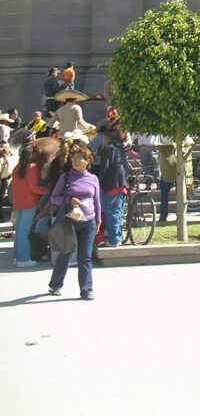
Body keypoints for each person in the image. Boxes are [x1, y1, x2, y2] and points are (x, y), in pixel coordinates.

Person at [48, 144, 101, 299]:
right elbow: (54, 198)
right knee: (66, 252)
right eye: (73, 157)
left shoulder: (93, 179)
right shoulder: (65, 177)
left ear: (87, 161)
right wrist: (69, 200)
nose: (74, 160)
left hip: (89, 221)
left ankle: (86, 289)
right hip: (70, 221)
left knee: (85, 257)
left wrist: (98, 220)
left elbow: (97, 200)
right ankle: (55, 285)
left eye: (78, 158)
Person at [11, 132, 48, 267]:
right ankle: (23, 258)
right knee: (24, 232)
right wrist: (48, 189)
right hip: (29, 203)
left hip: (19, 203)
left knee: (19, 231)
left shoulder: (16, 168)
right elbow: (35, 188)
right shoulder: (31, 168)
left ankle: (17, 257)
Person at [97, 123, 128, 247]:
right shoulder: (120, 147)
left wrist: (99, 182)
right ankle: (116, 235)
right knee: (117, 212)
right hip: (122, 184)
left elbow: (104, 168)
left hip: (111, 184)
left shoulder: (108, 148)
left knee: (112, 213)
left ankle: (114, 239)